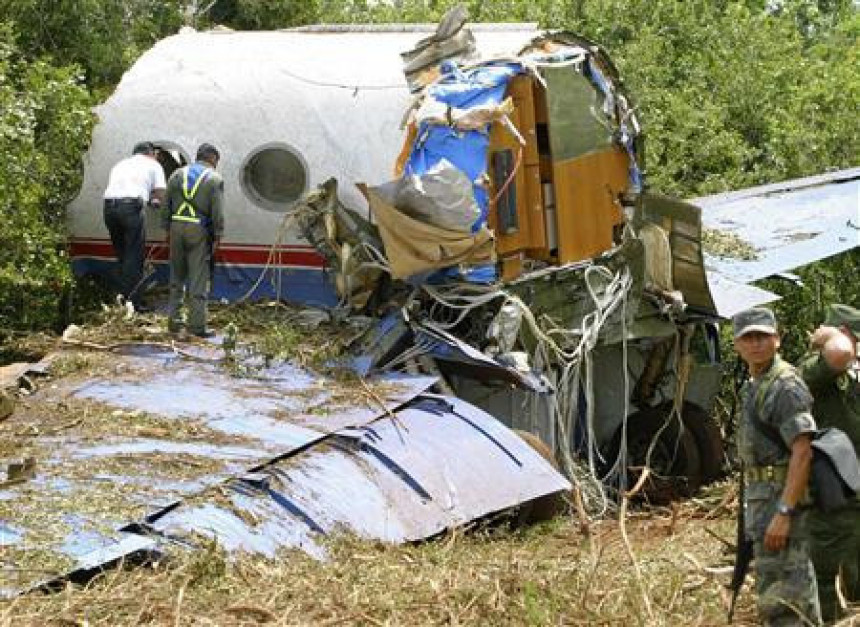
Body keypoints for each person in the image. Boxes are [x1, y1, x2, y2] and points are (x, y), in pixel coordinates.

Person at [733, 307, 822, 626]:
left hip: (781, 505)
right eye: (748, 337)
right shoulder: (757, 383)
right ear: (737, 345)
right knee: (776, 595)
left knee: (789, 600)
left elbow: (803, 453)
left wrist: (784, 513)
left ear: (777, 340)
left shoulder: (785, 386)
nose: (756, 343)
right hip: (764, 502)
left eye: (763, 336)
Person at [800, 303, 860, 623]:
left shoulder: (854, 369)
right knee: (823, 565)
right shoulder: (817, 364)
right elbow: (838, 354)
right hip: (830, 479)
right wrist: (834, 337)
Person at [162, 143, 224, 337]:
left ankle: (174, 323)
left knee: (176, 277)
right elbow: (218, 212)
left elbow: (166, 204)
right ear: (213, 159)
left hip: (176, 227)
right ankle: (197, 327)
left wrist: (167, 229)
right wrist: (218, 235)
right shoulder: (215, 179)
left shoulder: (176, 175)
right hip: (198, 229)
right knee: (198, 278)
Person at [103, 141, 166, 308]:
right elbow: (160, 193)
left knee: (122, 254)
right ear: (152, 153)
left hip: (109, 208)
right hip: (130, 208)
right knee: (134, 256)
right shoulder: (154, 164)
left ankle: (121, 297)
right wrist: (155, 201)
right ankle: (134, 303)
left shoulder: (120, 164)